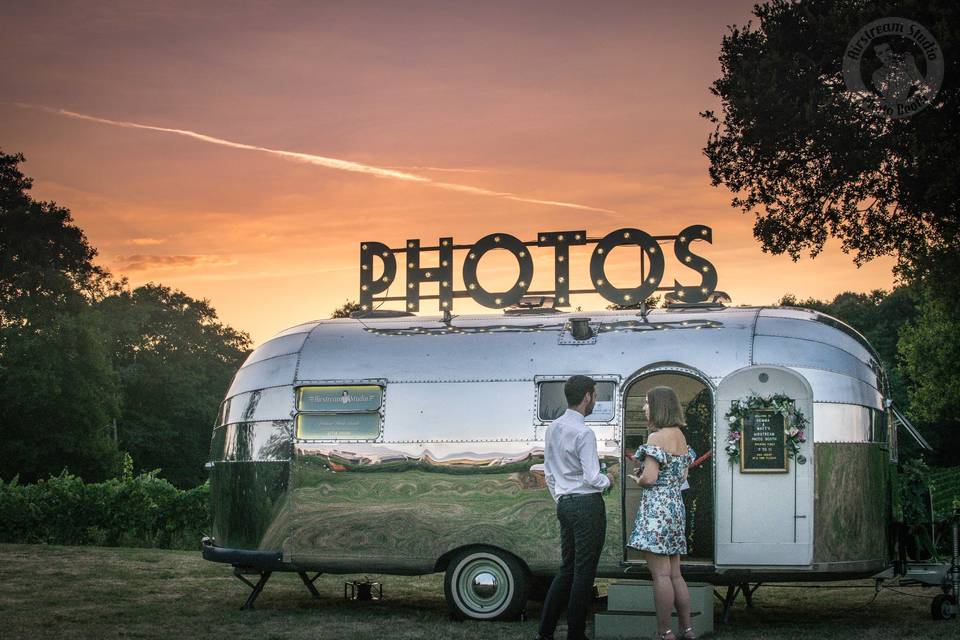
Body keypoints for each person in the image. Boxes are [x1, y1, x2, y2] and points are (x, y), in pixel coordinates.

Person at [536, 375, 612, 640]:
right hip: (587, 505)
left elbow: (549, 474)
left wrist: (560, 498)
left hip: (565, 504)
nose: (596, 400)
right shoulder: (584, 433)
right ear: (587, 397)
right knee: (584, 572)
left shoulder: (553, 428)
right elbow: (593, 477)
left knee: (567, 569)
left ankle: (545, 631)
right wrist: (609, 479)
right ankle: (575, 634)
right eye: (595, 395)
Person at [628, 386, 696, 640]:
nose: (643, 408)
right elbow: (683, 475)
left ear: (659, 407)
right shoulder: (681, 436)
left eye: (646, 403)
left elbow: (649, 479)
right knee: (676, 573)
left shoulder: (655, 438)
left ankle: (664, 632)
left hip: (657, 508)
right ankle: (686, 629)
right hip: (676, 506)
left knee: (660, 575)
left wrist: (638, 479)